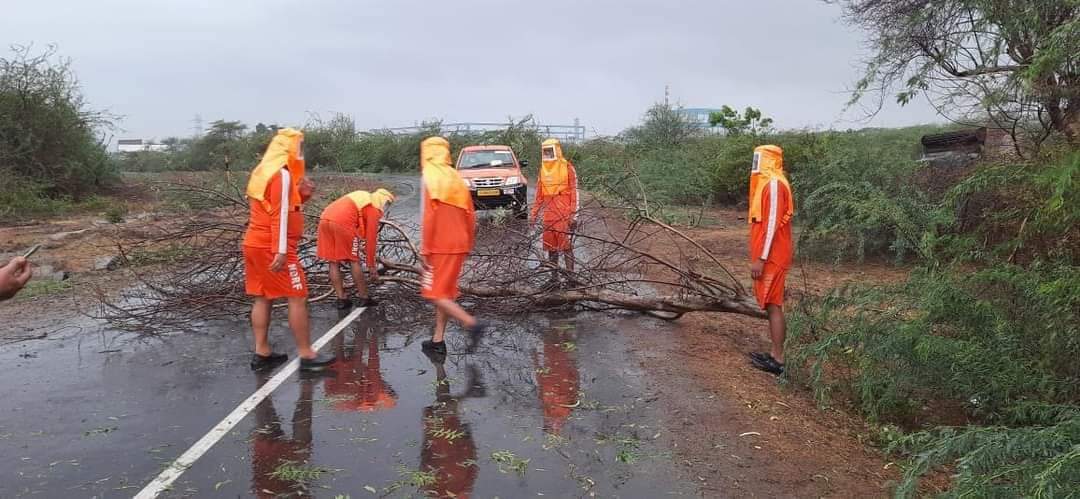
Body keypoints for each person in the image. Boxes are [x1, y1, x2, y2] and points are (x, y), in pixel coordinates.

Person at [242, 127, 332, 372]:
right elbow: (279, 216)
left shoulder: (262, 171)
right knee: (298, 296)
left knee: (263, 297)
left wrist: (303, 196)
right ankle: (306, 354)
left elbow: (281, 207)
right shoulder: (281, 175)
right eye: (299, 147)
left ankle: (262, 352)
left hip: (254, 244)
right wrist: (281, 251)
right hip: (272, 246)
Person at [418, 136, 487, 356]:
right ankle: (438, 340)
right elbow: (471, 215)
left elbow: (428, 217)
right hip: (458, 244)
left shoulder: (429, 177)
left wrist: (425, 249)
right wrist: (467, 244)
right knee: (444, 293)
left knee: (434, 293)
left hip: (439, 246)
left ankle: (472, 324)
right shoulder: (457, 178)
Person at [746, 145, 794, 376]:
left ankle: (778, 359)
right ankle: (775, 354)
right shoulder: (767, 183)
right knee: (770, 305)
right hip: (768, 254)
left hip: (773, 255)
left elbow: (772, 222)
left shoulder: (774, 184)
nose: (755, 163)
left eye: (759, 158)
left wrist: (761, 258)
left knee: (774, 305)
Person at [316, 188, 395, 309]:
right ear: (383, 199)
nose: (386, 206)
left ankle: (341, 299)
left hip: (324, 220)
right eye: (387, 203)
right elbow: (371, 239)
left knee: (333, 261)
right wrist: (371, 266)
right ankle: (364, 297)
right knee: (354, 260)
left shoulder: (364, 198)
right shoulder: (374, 208)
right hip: (342, 224)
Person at [531, 139, 580, 282]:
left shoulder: (568, 167)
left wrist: (573, 215)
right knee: (551, 248)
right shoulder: (542, 170)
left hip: (564, 214)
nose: (547, 154)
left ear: (556, 150)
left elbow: (574, 192)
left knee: (566, 247)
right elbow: (539, 195)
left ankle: (571, 279)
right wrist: (533, 214)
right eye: (545, 151)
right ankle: (554, 279)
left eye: (549, 150)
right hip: (549, 215)